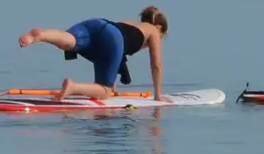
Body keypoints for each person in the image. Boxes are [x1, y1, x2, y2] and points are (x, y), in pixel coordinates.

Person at [18, 6, 169, 101]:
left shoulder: (129, 23)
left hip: (98, 24)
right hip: (113, 38)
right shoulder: (153, 31)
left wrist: (113, 81)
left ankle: (41, 35)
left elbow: (114, 55)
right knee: (104, 91)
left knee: (69, 40)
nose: (160, 39)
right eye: (163, 35)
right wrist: (157, 95)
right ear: (159, 27)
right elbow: (157, 65)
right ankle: (73, 87)